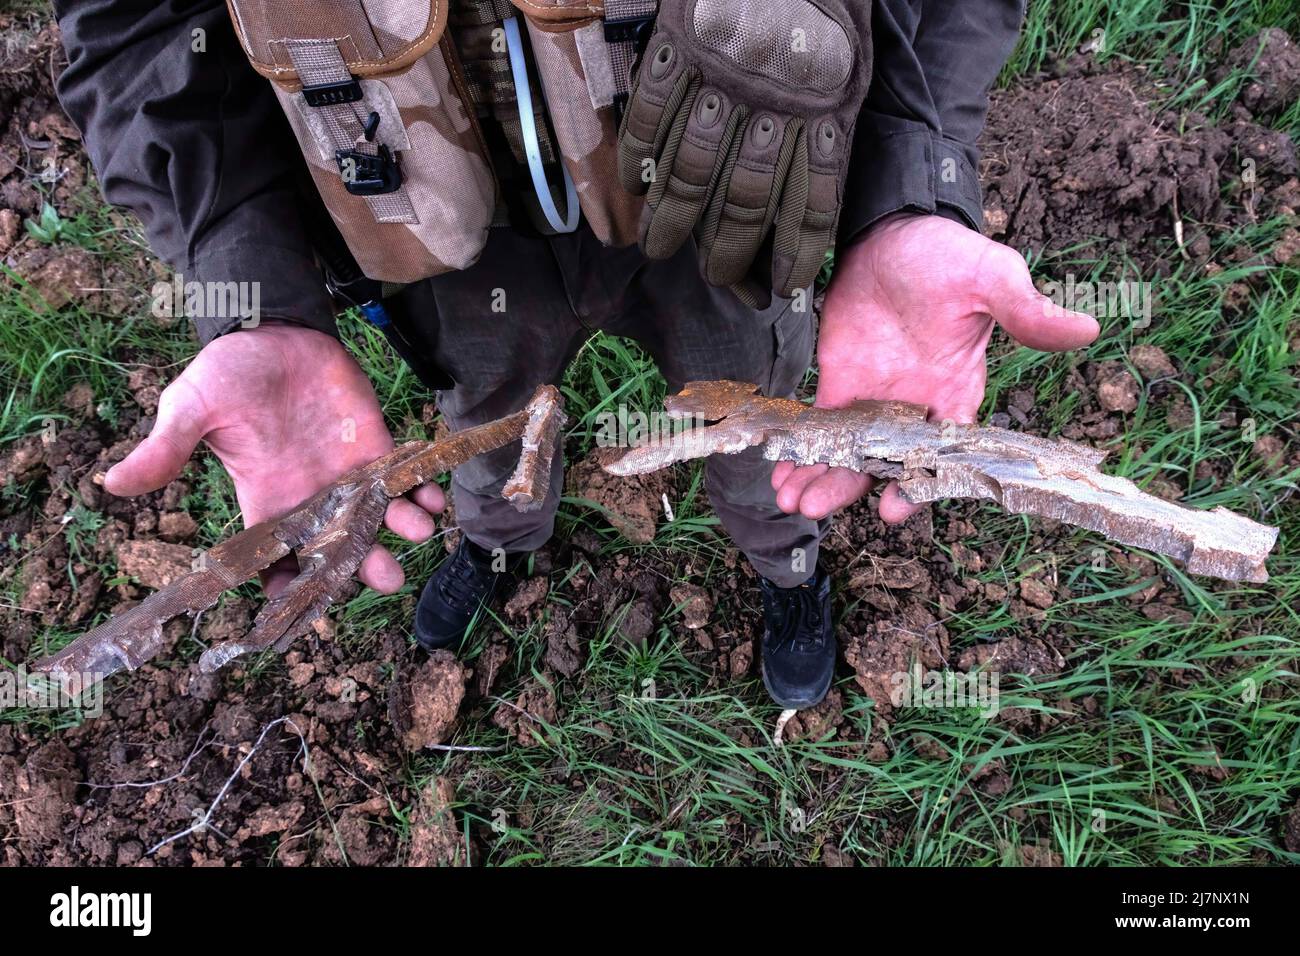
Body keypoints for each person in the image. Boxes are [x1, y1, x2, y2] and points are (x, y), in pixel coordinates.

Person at [52, 0, 1097, 709]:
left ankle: (785, 564)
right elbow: (135, 24)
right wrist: (256, 287)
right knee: (487, 413)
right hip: (434, 209)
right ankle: (499, 543)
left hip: (732, 161)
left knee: (766, 416)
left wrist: (910, 178)